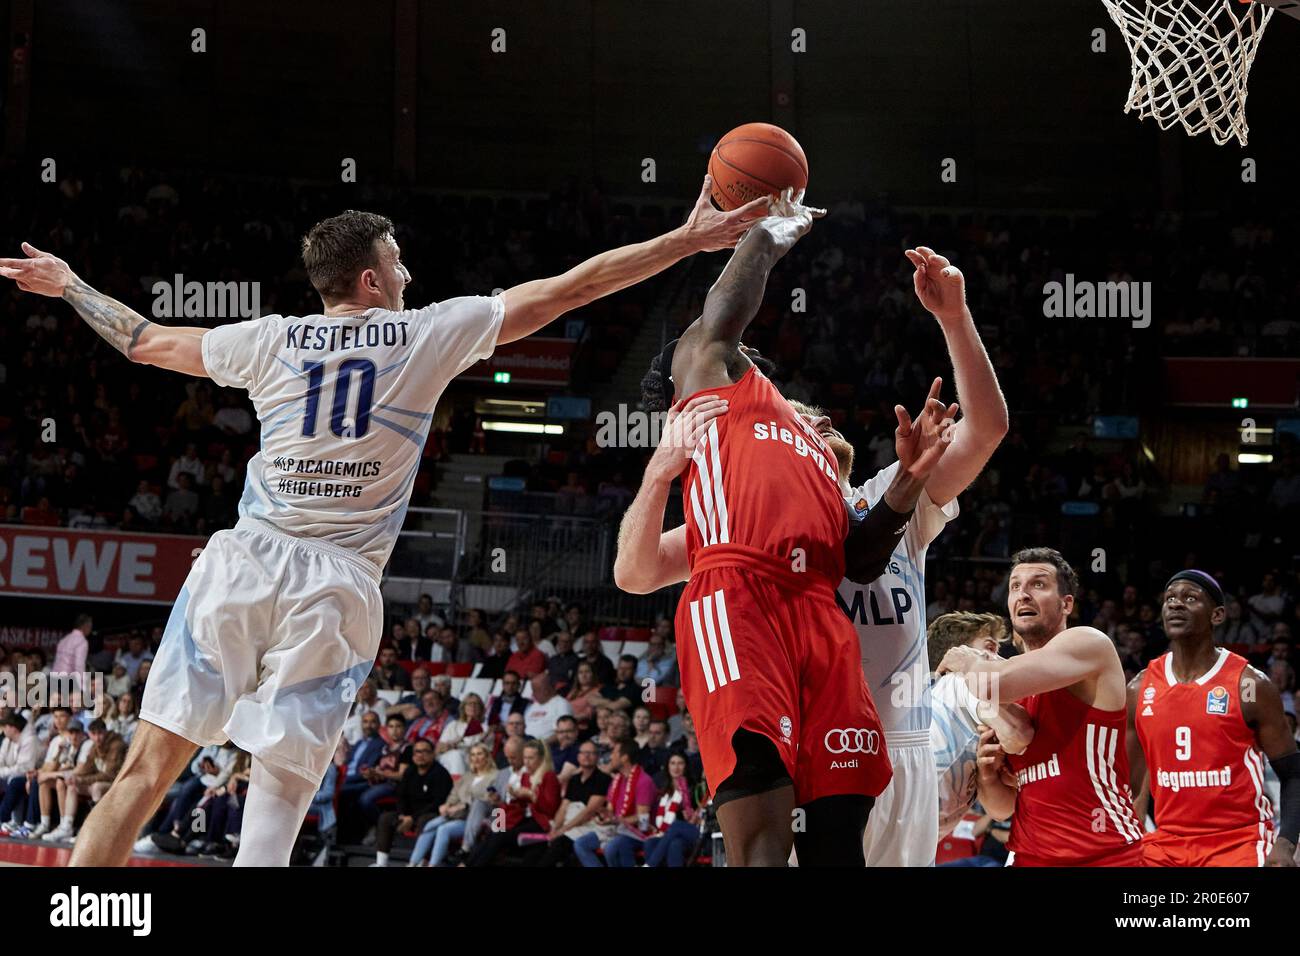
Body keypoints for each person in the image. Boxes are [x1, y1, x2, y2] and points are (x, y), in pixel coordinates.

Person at [2, 186, 761, 868]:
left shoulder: (268, 338)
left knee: (143, 771)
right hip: (335, 584)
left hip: (242, 564)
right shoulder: (428, 334)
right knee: (273, 816)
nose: (408, 277)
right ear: (370, 278)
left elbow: (143, 341)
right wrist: (687, 240)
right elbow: (576, 286)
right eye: (397, 264)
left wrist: (70, 286)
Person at [613, 195, 956, 866]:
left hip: (818, 617)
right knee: (764, 839)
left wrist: (908, 483)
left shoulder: (822, 469)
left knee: (838, 840)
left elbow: (857, 561)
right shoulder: (720, 401)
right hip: (738, 600)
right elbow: (721, 321)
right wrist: (770, 232)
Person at [790, 247, 1005, 866]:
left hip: (907, 748)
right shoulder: (776, 527)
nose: (823, 418)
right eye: (806, 420)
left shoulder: (891, 491)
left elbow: (987, 427)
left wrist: (955, 318)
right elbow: (636, 574)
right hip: (816, 750)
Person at [939, 547, 1144, 866]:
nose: (1023, 594)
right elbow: (1001, 809)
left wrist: (967, 659)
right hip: (1028, 855)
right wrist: (989, 775)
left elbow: (992, 682)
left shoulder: (1089, 644)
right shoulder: (1011, 682)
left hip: (1104, 854)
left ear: (1067, 604)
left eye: (1038, 584)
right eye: (1015, 586)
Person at [1129, 570, 1299, 866]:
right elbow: (1132, 780)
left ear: (1217, 615)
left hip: (1238, 841)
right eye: (1169, 598)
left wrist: (1285, 844)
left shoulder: (1251, 686)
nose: (1176, 604)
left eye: (1190, 598)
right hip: (1167, 843)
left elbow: (1293, 773)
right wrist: (1130, 837)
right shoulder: (1139, 689)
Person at [926, 613, 1033, 840]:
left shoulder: (957, 705)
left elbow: (1001, 811)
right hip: (896, 817)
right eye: (991, 648)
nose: (998, 658)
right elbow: (1018, 733)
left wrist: (989, 776)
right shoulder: (962, 680)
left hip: (917, 836)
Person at [465, 738, 561, 866]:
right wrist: (516, 796)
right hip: (520, 817)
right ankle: (466, 863)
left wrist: (531, 795)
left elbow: (550, 810)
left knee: (499, 836)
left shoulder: (549, 776)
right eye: (525, 757)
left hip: (541, 823)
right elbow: (520, 805)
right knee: (494, 832)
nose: (526, 762)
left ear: (542, 758)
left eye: (531, 758)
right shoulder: (526, 776)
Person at [409, 743, 497, 867]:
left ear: (487, 756)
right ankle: (412, 863)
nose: (476, 758)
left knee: (443, 829)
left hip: (475, 820)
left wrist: (463, 805)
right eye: (473, 755)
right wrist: (447, 805)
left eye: (479, 754)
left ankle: (432, 865)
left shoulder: (495, 776)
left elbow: (488, 801)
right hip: (456, 815)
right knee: (430, 826)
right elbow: (453, 795)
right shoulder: (467, 776)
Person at [574, 737, 657, 866]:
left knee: (612, 847)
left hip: (636, 833)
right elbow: (611, 811)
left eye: (614, 753)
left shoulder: (643, 781)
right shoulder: (618, 779)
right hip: (616, 828)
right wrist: (603, 816)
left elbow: (642, 818)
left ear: (624, 758)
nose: (610, 756)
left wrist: (616, 820)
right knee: (581, 843)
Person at [371, 738, 452, 867]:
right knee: (386, 818)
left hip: (432, 814)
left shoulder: (441, 774)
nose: (420, 755)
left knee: (425, 821)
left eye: (425, 751)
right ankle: (381, 863)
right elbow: (400, 795)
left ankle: (419, 862)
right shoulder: (410, 771)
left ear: (433, 754)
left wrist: (412, 819)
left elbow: (438, 803)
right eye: (417, 752)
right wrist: (403, 815)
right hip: (408, 815)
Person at [532, 739, 611, 867]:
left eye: (591, 753)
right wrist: (555, 829)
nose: (586, 756)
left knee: (561, 843)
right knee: (543, 843)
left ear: (597, 757)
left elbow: (589, 812)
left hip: (589, 826)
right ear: (578, 756)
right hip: (570, 824)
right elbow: (563, 807)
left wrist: (562, 830)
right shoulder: (574, 780)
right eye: (583, 753)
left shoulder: (603, 779)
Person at [642, 752, 701, 867]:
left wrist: (693, 815)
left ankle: (649, 865)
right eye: (673, 763)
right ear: (667, 766)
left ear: (686, 766)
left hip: (690, 834)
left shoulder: (693, 788)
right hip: (668, 836)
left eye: (680, 763)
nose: (676, 767)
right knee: (650, 842)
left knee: (676, 837)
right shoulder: (664, 789)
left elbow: (699, 814)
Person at [435, 693, 489, 775]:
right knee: (456, 755)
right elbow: (438, 748)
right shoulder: (453, 725)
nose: (473, 706)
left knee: (458, 755)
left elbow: (486, 752)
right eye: (469, 704)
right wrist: (451, 744)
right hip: (448, 757)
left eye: (476, 704)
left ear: (481, 708)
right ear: (464, 707)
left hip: (471, 759)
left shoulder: (485, 728)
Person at [524, 673, 573, 744]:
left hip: (547, 747)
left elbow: (564, 733)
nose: (532, 694)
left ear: (546, 690)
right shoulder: (533, 706)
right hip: (526, 745)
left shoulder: (562, 704)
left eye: (535, 690)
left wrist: (542, 744)